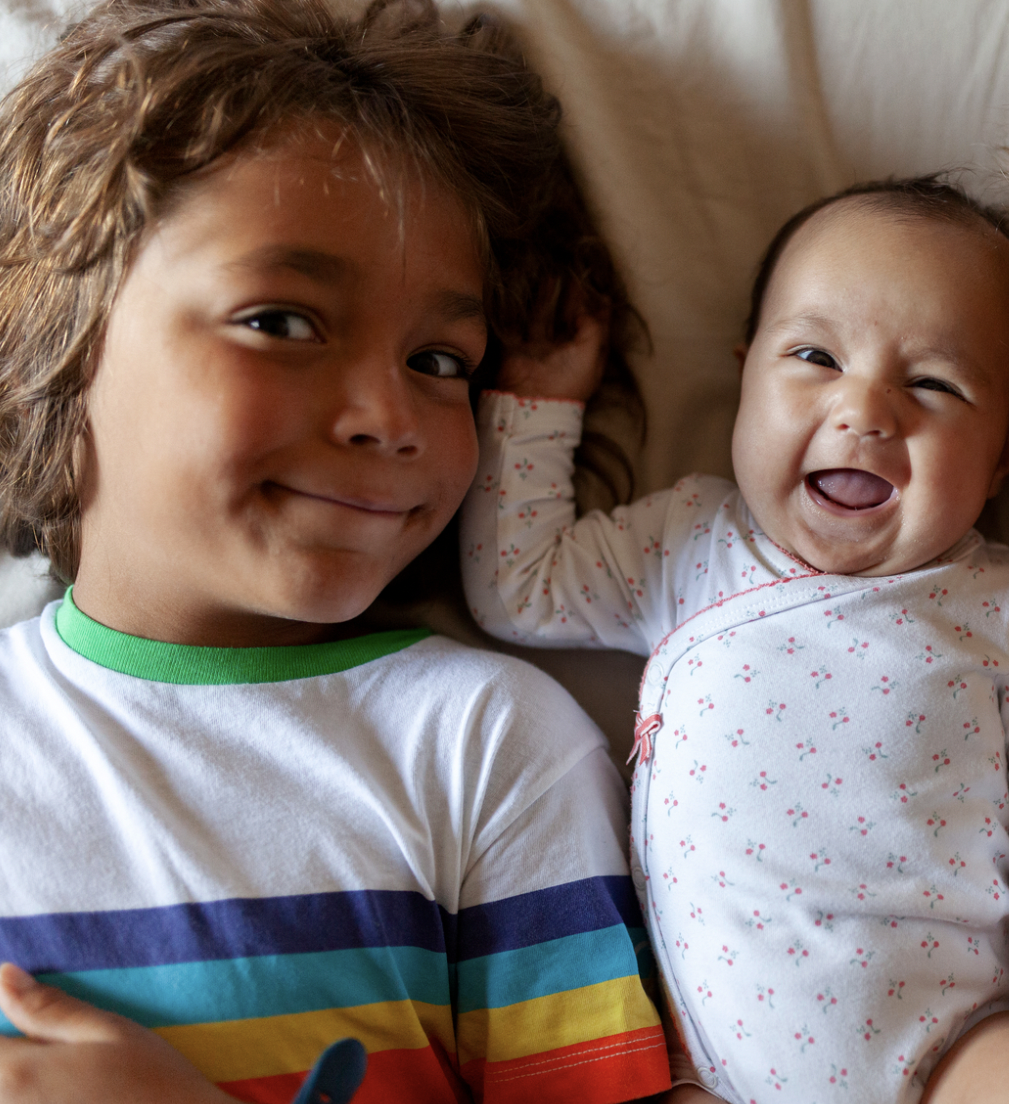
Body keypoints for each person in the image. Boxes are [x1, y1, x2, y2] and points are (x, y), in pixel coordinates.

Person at [0, 1, 670, 1099]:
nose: (389, 416)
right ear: (58, 343)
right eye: (282, 321)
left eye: (441, 361)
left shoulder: (487, 749)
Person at [460, 177, 1009, 1103]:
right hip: (708, 1070)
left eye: (932, 382)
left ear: (1006, 456)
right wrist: (538, 397)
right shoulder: (688, 546)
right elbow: (518, 587)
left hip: (957, 1041)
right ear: (744, 380)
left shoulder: (1000, 603)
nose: (869, 411)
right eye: (815, 356)